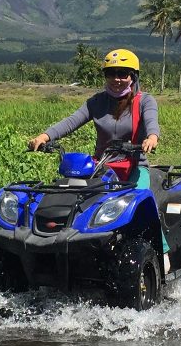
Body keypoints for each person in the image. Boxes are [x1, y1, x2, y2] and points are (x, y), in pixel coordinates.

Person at [28, 48, 170, 264]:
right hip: (102, 167)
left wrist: (151, 137)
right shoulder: (97, 102)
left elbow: (152, 121)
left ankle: (163, 253)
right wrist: (44, 136)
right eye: (111, 73)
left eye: (123, 73)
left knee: (142, 202)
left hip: (134, 166)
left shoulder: (144, 101)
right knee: (79, 202)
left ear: (133, 76)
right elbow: (71, 121)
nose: (117, 79)